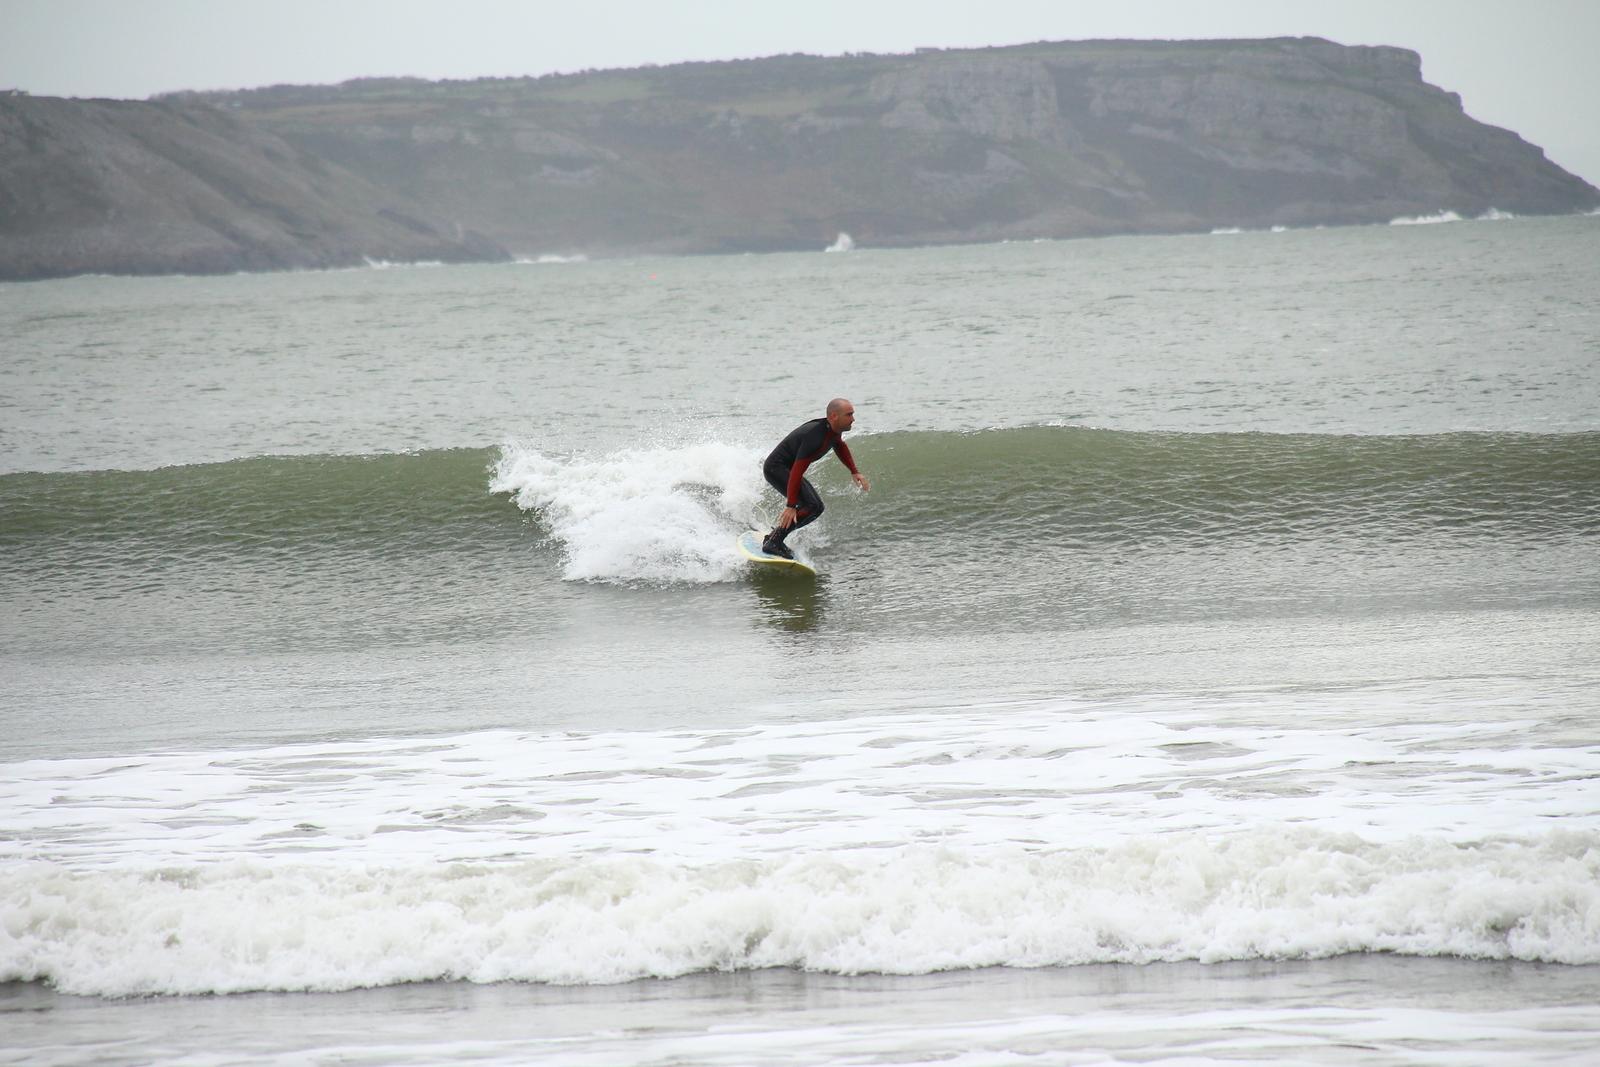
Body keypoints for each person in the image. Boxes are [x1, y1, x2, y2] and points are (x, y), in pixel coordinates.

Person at [761, 398, 870, 558]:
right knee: (811, 505)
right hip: (776, 468)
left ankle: (773, 538)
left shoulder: (831, 431)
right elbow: (797, 472)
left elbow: (839, 445)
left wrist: (854, 471)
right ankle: (774, 541)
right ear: (835, 416)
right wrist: (791, 505)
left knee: (816, 506)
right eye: (849, 415)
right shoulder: (816, 437)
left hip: (786, 469)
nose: (853, 419)